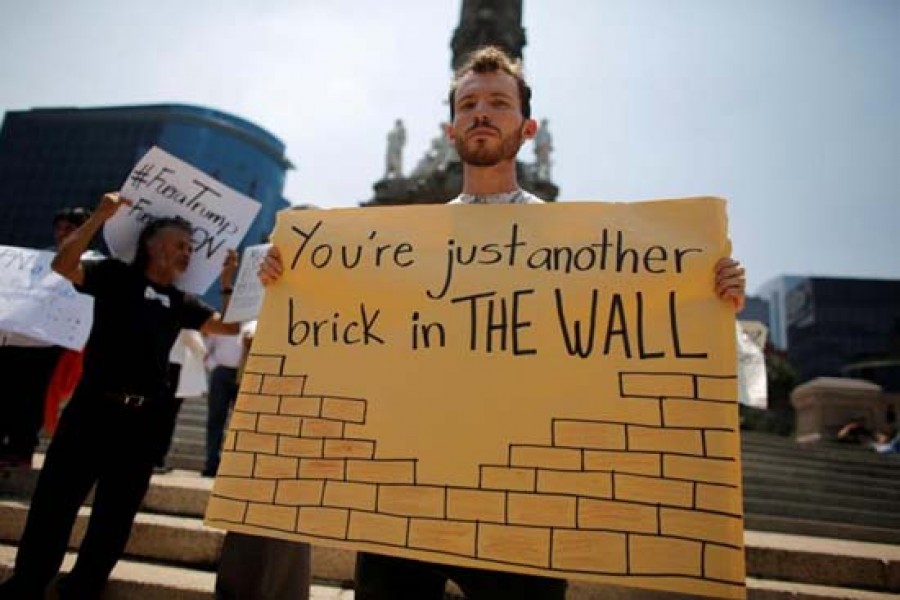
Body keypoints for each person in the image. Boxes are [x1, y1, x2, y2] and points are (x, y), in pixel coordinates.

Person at [258, 46, 746, 600]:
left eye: (497, 102)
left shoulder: (577, 242)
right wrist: (291, 282)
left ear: (528, 126)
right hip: (406, 489)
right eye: (468, 104)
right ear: (451, 129)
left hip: (526, 501)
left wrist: (705, 293)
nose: (481, 113)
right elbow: (353, 328)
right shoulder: (402, 243)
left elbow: (630, 330)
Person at [0, 192, 241, 600]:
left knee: (115, 517)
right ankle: (27, 584)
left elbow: (230, 329)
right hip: (92, 411)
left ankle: (84, 586)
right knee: (54, 505)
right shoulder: (114, 276)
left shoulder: (181, 302)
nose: (187, 254)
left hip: (143, 422)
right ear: (153, 246)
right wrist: (101, 216)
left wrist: (229, 282)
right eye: (181, 245)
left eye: (190, 248)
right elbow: (63, 265)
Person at [0, 206, 93, 469]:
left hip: (50, 343)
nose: (63, 233)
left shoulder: (94, 263)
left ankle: (21, 448)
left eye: (70, 228)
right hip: (14, 338)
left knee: (32, 398)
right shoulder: (35, 259)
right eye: (60, 228)